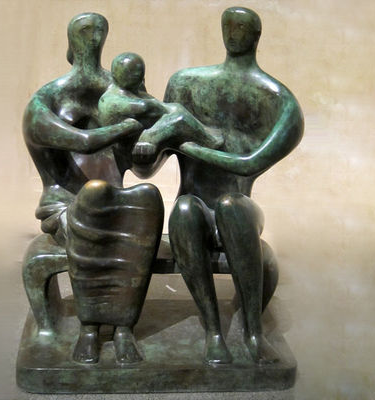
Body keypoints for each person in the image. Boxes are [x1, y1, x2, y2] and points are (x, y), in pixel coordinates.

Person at [138, 7, 304, 364]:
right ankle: (213, 330)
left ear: (256, 35)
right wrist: (146, 141)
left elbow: (249, 164)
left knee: (231, 206)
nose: (233, 32)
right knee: (184, 209)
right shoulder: (186, 84)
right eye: (228, 25)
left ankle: (253, 333)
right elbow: (146, 168)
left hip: (240, 206)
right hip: (195, 207)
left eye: (241, 26)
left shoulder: (280, 101)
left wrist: (189, 144)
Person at [22, 12, 158, 365]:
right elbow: (82, 141)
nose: (94, 39)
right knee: (93, 196)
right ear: (71, 42)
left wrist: (154, 138)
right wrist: (127, 125)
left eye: (99, 32)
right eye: (85, 32)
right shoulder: (44, 101)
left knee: (148, 198)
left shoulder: (121, 92)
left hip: (117, 202)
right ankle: (89, 328)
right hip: (64, 204)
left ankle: (124, 326)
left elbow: (143, 167)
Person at [98, 52, 223, 163]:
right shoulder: (110, 99)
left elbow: (151, 107)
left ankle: (204, 135)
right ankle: (210, 141)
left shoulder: (132, 90)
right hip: (131, 143)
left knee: (176, 110)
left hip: (143, 131)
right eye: (134, 74)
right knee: (179, 119)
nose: (139, 78)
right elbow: (146, 107)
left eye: (140, 73)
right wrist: (163, 108)